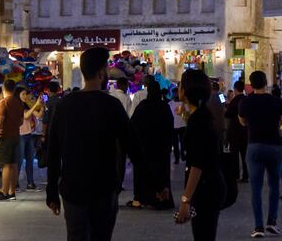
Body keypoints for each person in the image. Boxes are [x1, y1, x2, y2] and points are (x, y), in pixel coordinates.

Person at [46, 47, 167, 241]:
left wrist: (51, 192)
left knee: (76, 236)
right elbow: (134, 148)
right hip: (103, 187)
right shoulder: (111, 106)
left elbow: (53, 150)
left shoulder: (64, 105)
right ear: (102, 72)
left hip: (73, 187)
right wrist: (156, 184)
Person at [239, 70, 282, 238]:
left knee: (255, 188)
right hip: (275, 147)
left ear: (251, 84)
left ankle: (258, 227)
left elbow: (242, 121)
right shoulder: (278, 102)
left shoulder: (245, 102)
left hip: (254, 145)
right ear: (266, 83)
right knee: (274, 185)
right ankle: (272, 222)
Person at [174, 69, 226, 241]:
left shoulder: (199, 120)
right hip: (209, 186)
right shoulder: (201, 115)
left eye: (181, 85)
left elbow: (197, 164)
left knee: (203, 234)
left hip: (205, 189)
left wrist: (185, 200)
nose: (178, 89)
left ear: (186, 91)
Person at [128, 80, 174, 209]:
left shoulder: (143, 106)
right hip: (161, 147)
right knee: (161, 172)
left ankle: (142, 198)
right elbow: (170, 126)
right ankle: (161, 198)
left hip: (145, 146)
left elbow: (133, 124)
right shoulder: (164, 106)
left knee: (143, 171)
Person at [0, 79, 23, 201]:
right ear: (14, 90)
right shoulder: (18, 103)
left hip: (5, 137)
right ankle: (12, 192)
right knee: (14, 165)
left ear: (4, 89)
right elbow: (20, 121)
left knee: (5, 165)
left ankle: (3, 192)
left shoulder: (3, 102)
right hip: (16, 136)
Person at [17, 87, 43, 191]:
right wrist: (35, 106)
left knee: (30, 160)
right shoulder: (17, 106)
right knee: (19, 161)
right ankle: (14, 183)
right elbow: (26, 115)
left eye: (25, 94)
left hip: (29, 134)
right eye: (23, 94)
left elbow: (38, 115)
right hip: (20, 135)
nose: (25, 96)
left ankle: (30, 183)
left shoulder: (27, 105)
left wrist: (40, 105)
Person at [225, 80, 249, 182]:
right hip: (245, 131)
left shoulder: (234, 101)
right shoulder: (246, 99)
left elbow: (228, 114)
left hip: (234, 131)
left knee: (234, 154)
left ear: (235, 89)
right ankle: (246, 175)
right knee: (244, 155)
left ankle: (235, 175)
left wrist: (227, 106)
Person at [170, 88, 187, 164]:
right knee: (175, 143)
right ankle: (177, 158)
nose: (175, 95)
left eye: (176, 93)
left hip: (182, 125)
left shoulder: (184, 104)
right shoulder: (170, 103)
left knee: (182, 142)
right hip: (174, 126)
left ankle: (182, 155)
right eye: (174, 93)